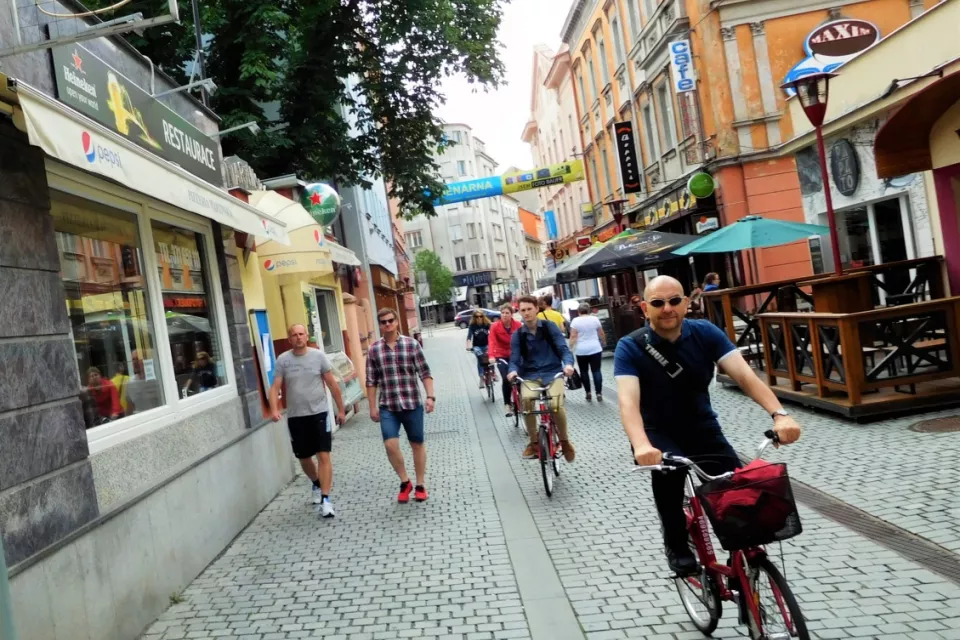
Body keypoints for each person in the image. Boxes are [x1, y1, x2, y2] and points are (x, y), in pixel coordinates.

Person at [614, 276, 801, 575]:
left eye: (675, 300)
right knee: (670, 485)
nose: (667, 308)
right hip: (656, 433)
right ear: (645, 308)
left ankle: (742, 559)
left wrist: (779, 414)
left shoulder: (705, 333)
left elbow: (744, 376)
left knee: (736, 490)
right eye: (658, 303)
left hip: (702, 426)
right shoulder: (630, 347)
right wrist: (641, 445)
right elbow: (628, 402)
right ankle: (676, 544)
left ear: (687, 303)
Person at [270, 324, 346, 519]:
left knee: (324, 455)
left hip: (319, 413)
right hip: (296, 416)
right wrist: (274, 409)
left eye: (301, 334)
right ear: (289, 339)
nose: (298, 338)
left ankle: (326, 500)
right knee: (303, 457)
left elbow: (332, 383)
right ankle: (316, 482)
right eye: (294, 335)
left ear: (307, 336)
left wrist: (341, 409)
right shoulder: (283, 360)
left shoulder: (318, 356)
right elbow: (275, 387)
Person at [367, 307, 436, 503]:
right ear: (379, 325)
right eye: (383, 322)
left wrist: (430, 397)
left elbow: (425, 372)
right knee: (390, 444)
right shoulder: (374, 350)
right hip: (388, 405)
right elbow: (371, 381)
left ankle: (420, 484)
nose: (387, 324)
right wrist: (372, 407)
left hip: (412, 402)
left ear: (396, 322)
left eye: (390, 320)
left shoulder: (411, 345)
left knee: (417, 444)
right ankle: (405, 481)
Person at [508, 295, 577, 461]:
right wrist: (512, 371)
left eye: (529, 309)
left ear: (536, 309)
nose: (526, 313)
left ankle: (564, 441)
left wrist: (568, 364)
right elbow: (514, 358)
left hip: (553, 373)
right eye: (522, 310)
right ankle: (534, 443)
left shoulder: (549, 327)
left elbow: (563, 348)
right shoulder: (518, 335)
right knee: (527, 401)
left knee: (555, 404)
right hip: (530, 375)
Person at [569, 302, 606, 402]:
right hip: (595, 348)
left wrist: (570, 348)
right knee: (596, 371)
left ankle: (588, 392)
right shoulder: (595, 319)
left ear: (578, 311)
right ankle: (599, 393)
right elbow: (601, 333)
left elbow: (573, 336)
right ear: (588, 310)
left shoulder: (575, 321)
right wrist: (603, 342)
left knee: (584, 372)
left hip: (581, 350)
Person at [489, 303, 520, 416]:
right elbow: (491, 341)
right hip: (501, 354)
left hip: (515, 355)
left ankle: (522, 399)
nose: (505, 315)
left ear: (512, 314)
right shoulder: (495, 326)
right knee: (506, 378)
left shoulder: (518, 325)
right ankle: (507, 404)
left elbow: (523, 341)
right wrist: (491, 356)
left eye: (507, 313)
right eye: (502, 313)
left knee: (520, 378)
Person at [465, 310, 493, 389]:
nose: (479, 318)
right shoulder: (472, 326)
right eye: (477, 316)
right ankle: (481, 377)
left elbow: (493, 332)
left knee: (490, 356)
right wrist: (468, 345)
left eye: (481, 316)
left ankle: (493, 373)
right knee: (480, 357)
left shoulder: (486, 324)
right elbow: (469, 337)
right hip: (477, 346)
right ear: (474, 317)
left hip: (487, 344)